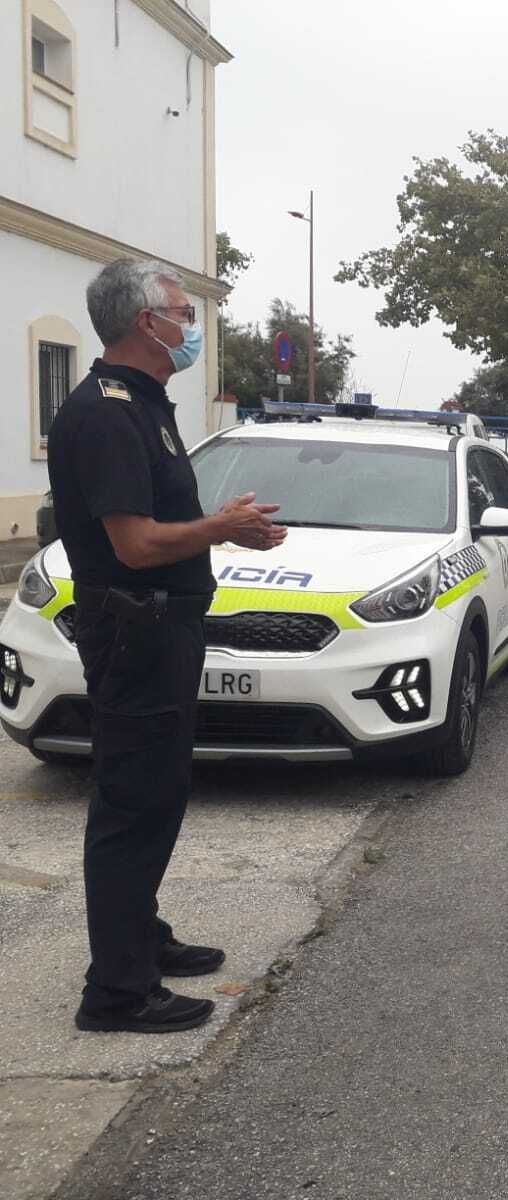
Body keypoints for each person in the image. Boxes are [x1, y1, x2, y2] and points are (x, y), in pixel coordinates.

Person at [51, 259, 285, 1034]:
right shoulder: (109, 414)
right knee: (131, 803)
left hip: (162, 626)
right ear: (144, 322)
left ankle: (139, 941)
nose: (192, 324)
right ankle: (117, 991)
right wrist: (222, 527)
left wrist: (225, 527)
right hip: (137, 625)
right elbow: (138, 543)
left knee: (158, 792)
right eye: (183, 312)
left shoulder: (144, 403)